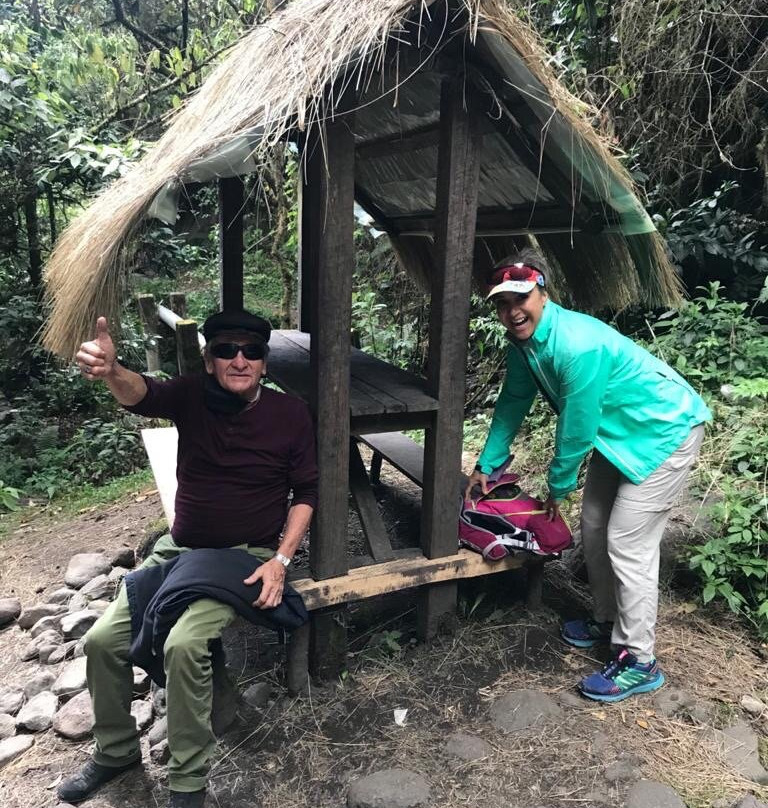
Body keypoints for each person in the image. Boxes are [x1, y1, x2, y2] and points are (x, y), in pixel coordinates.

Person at [58, 310, 318, 807]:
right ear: (209, 359)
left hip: (246, 555)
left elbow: (306, 491)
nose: (239, 360)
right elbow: (143, 393)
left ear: (264, 362)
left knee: (183, 644)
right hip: (180, 550)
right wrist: (113, 370)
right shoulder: (192, 395)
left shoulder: (290, 413)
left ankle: (187, 783)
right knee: (100, 641)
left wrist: (281, 561)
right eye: (226, 350)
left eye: (252, 351)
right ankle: (115, 752)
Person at [464, 248, 711, 703]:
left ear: (542, 292)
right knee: (594, 527)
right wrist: (487, 463)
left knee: (628, 542)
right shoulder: (525, 344)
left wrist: (559, 485)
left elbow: (576, 424)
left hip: (665, 430)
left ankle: (640, 661)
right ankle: (606, 620)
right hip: (620, 437)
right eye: (501, 303)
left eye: (520, 298)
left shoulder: (578, 344)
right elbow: (512, 401)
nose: (511, 311)